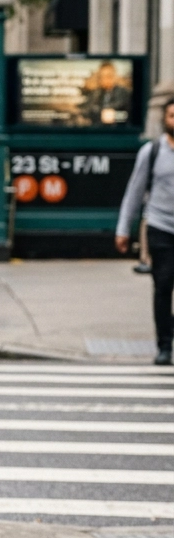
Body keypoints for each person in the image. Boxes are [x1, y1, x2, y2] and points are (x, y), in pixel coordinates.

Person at [115, 97, 174, 365]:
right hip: (160, 226)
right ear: (164, 119)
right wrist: (123, 229)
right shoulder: (151, 152)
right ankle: (164, 345)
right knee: (163, 285)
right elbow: (134, 192)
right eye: (172, 115)